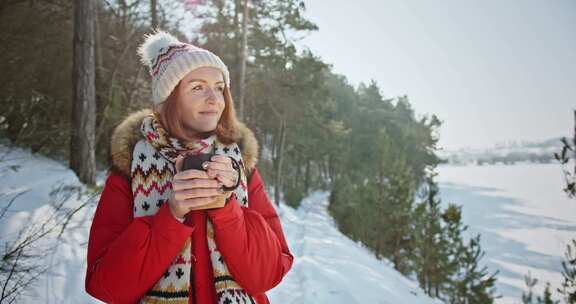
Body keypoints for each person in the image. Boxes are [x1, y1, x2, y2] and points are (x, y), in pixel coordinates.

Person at [85, 30, 294, 304]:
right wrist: (170, 215)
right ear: (169, 98)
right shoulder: (132, 170)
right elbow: (106, 286)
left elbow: (268, 274)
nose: (214, 99)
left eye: (219, 87)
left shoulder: (240, 166)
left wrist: (226, 208)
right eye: (197, 87)